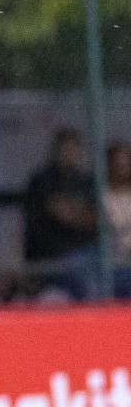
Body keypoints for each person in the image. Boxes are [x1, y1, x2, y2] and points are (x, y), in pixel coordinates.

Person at [24, 128, 99, 300]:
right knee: (89, 284)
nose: (69, 153)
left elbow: (97, 218)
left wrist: (76, 215)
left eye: (73, 148)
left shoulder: (86, 181)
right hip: (53, 258)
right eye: (65, 148)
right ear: (55, 150)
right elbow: (59, 212)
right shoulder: (42, 180)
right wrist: (80, 216)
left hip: (89, 253)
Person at [106, 141, 131, 298]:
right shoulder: (101, 195)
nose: (121, 169)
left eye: (125, 165)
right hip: (113, 266)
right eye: (117, 165)